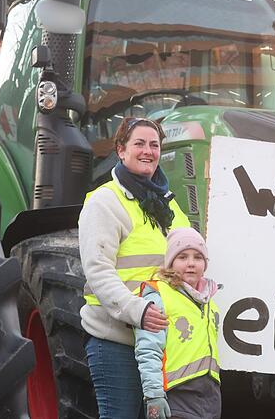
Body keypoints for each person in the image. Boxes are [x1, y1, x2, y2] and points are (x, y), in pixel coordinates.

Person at [79, 116, 191, 418]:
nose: (148, 151)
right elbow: (98, 270)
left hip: (160, 346)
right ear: (121, 150)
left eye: (154, 145)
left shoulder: (170, 208)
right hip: (117, 341)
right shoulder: (105, 202)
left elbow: (190, 265)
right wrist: (137, 311)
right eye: (139, 143)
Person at [134, 227, 221, 419]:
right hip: (176, 395)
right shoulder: (159, 296)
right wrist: (153, 395)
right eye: (182, 257)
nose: (191, 264)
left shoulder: (209, 303)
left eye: (198, 258)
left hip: (210, 397)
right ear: (171, 262)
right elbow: (148, 350)